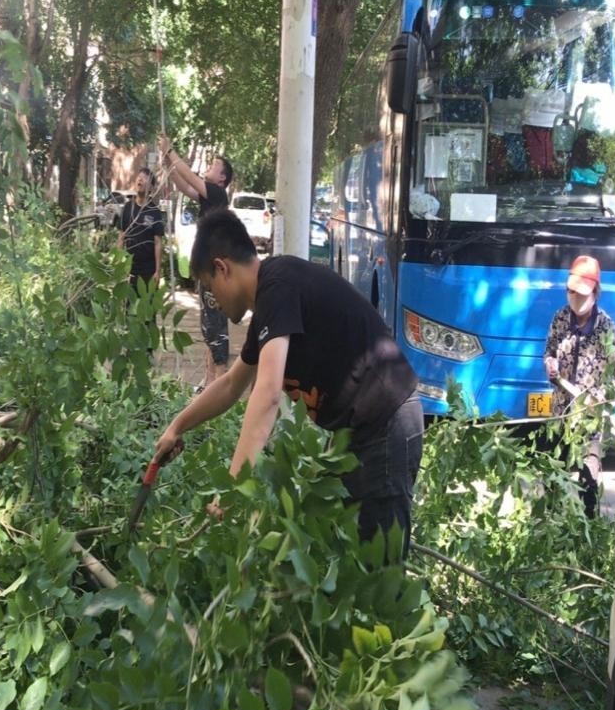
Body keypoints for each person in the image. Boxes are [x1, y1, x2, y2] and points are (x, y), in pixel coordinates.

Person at [151, 209, 423, 558]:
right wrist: (177, 426)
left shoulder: (279, 285)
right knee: (340, 556)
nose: (213, 301)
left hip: (385, 426)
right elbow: (233, 384)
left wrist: (236, 483)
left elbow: (266, 394)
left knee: (377, 577)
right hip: (358, 435)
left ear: (223, 268)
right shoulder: (271, 304)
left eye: (209, 288)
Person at [543, 255, 615, 517]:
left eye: (581, 293)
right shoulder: (560, 319)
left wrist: (604, 399)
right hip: (561, 412)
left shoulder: (605, 327)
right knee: (554, 471)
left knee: (588, 477)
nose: (575, 298)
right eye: (571, 292)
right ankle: (549, 523)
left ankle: (588, 525)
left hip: (589, 418)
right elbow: (548, 351)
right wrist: (550, 364)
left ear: (595, 292)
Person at [160, 135, 234, 389]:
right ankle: (209, 378)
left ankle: (220, 379)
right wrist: (168, 165)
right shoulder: (208, 196)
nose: (209, 167)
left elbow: (190, 177)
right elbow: (184, 186)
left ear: (222, 178)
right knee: (207, 324)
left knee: (215, 324)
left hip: (215, 275)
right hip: (207, 273)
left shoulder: (217, 193)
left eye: (214, 165)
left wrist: (170, 151)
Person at [116, 168, 165, 292]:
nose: (140, 179)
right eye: (139, 176)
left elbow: (158, 242)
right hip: (130, 268)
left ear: (152, 187)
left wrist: (157, 271)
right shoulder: (127, 208)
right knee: (129, 308)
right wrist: (118, 265)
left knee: (147, 308)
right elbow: (121, 237)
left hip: (149, 269)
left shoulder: (155, 212)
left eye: (145, 178)